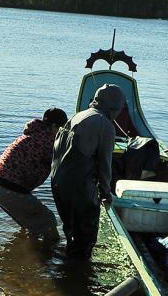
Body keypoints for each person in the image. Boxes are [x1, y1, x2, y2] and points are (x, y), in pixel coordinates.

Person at [49, 84, 125, 259]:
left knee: (70, 231)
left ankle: (64, 270)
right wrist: (106, 193)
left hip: (57, 182)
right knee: (85, 238)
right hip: (77, 186)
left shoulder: (78, 115)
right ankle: (77, 277)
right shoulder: (104, 125)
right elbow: (106, 164)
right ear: (114, 107)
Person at [0, 108, 68, 240]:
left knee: (31, 225)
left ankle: (27, 251)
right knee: (48, 221)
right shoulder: (48, 140)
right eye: (62, 128)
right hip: (10, 189)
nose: (63, 132)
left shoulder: (35, 133)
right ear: (54, 126)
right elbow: (65, 165)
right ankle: (53, 253)